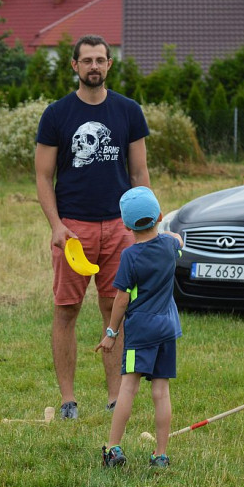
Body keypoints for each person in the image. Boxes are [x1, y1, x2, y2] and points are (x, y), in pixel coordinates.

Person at [35, 34, 151, 420]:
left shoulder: (128, 112)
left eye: (101, 60)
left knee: (114, 309)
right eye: (87, 61)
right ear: (74, 66)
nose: (94, 67)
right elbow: (42, 176)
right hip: (73, 231)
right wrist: (56, 225)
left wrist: (145, 222)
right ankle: (68, 400)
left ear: (109, 65)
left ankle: (116, 397)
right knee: (66, 310)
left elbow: (139, 171)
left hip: (119, 227)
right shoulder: (57, 115)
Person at [96, 187, 182, 469]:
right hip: (167, 329)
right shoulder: (170, 248)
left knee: (128, 389)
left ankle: (113, 448)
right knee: (161, 392)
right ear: (159, 216)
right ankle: (160, 454)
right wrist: (166, 232)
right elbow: (177, 238)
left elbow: (121, 299)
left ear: (125, 225)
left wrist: (111, 332)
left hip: (141, 331)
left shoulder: (130, 257)